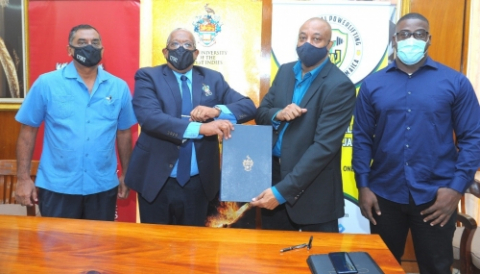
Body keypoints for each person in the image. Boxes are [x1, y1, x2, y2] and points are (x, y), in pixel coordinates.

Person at [352, 13, 480, 273]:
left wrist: (455, 189)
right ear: (394, 40)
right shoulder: (372, 85)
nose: (412, 39)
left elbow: (473, 138)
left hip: (437, 198)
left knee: (436, 268)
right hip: (383, 196)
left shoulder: (455, 82)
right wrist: (363, 186)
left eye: (419, 33)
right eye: (404, 34)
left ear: (429, 39)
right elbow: (362, 138)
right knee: (381, 267)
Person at [125, 28, 256, 226]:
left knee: (195, 251)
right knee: (155, 249)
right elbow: (150, 118)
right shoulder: (148, 76)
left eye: (187, 45)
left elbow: (248, 107)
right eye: (175, 44)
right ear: (165, 52)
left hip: (199, 184)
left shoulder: (212, 78)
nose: (181, 48)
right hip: (156, 180)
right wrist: (201, 129)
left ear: (196, 53)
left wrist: (216, 111)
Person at [15, 24, 137, 221]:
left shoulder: (118, 87)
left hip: (102, 185)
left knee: (98, 249)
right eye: (82, 42)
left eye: (94, 42)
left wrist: (126, 174)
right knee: (57, 249)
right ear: (69, 50)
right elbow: (27, 131)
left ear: (102, 50)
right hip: (57, 186)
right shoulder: (47, 83)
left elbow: (123, 133)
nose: (89, 47)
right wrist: (22, 178)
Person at [251, 17, 356, 232]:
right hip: (272, 178)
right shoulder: (285, 71)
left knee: (318, 262)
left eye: (316, 39)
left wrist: (281, 192)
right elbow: (261, 113)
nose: (307, 43)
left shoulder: (340, 86)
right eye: (303, 37)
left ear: (329, 46)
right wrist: (278, 113)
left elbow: (324, 148)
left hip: (313, 192)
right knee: (274, 262)